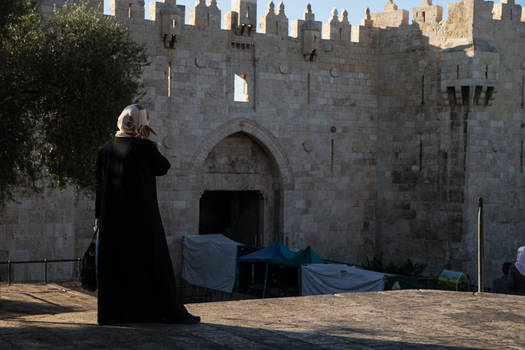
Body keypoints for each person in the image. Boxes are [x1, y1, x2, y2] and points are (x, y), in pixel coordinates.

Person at [95, 104, 200, 325]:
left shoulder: (106, 149)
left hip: (112, 221)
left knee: (118, 266)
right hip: (142, 220)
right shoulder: (143, 148)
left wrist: (98, 218)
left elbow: (99, 186)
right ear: (142, 123)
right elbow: (163, 167)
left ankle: (115, 315)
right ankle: (164, 311)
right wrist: (147, 141)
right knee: (153, 264)